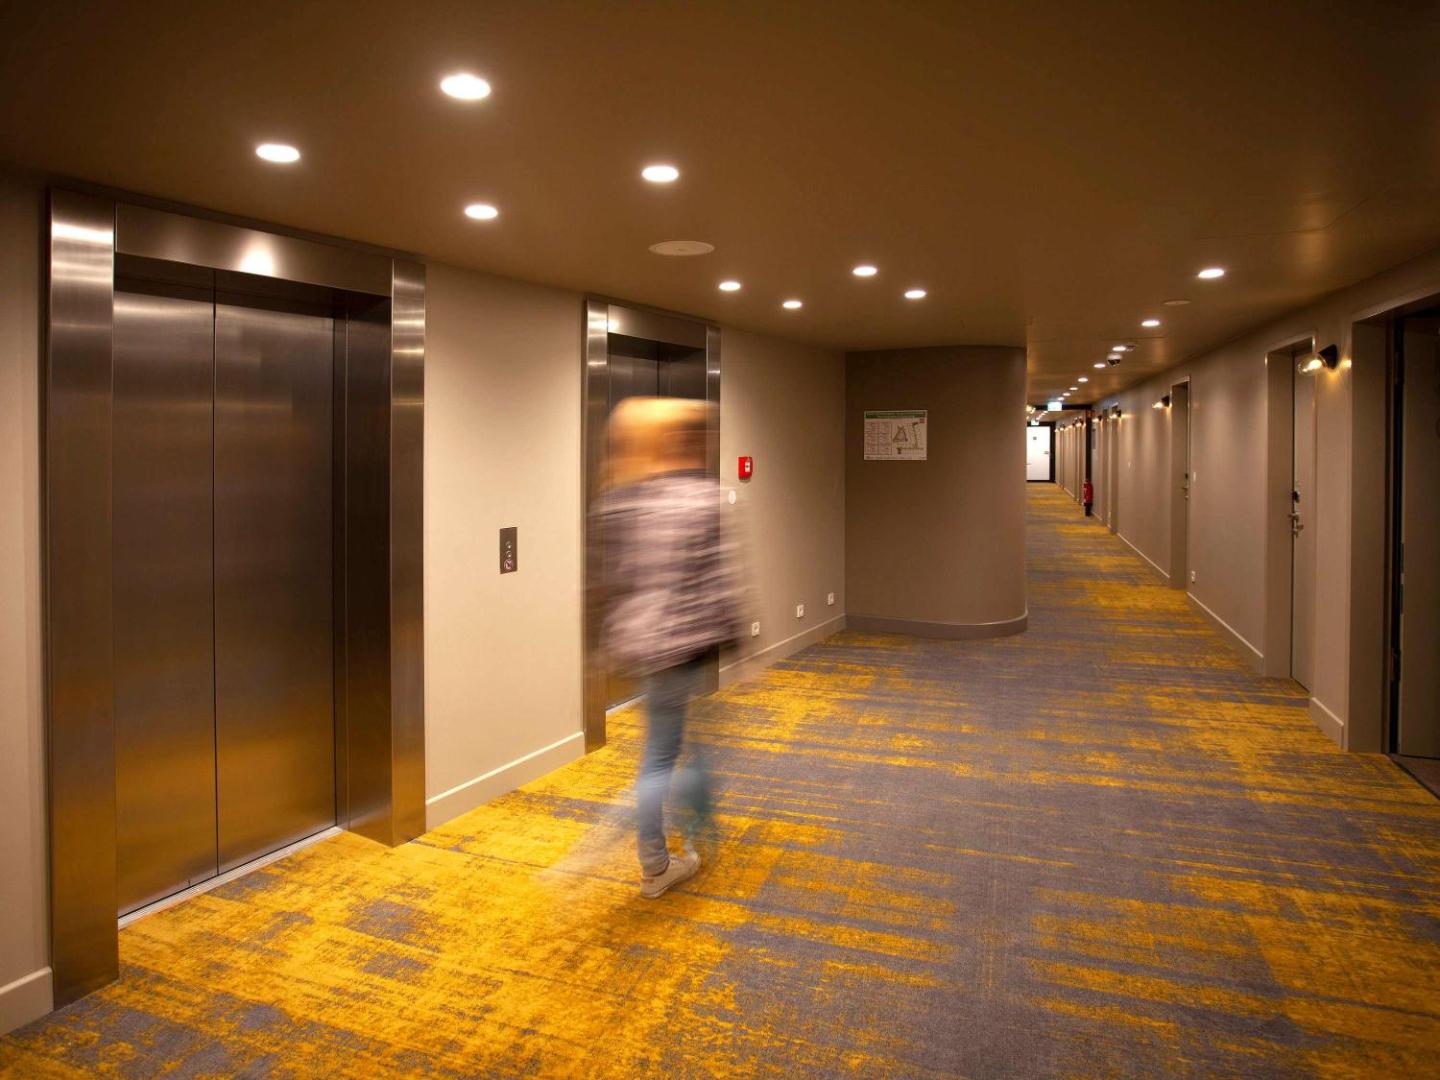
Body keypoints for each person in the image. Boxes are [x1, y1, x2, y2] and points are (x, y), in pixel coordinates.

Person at [594, 397, 742, 898]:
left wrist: (606, 644)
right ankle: (655, 862)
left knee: (672, 747)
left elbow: (604, 582)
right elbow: (719, 579)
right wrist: (738, 641)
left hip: (639, 645)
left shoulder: (618, 499)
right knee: (665, 757)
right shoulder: (700, 497)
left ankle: (688, 831)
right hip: (683, 648)